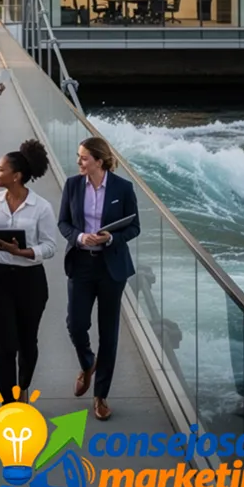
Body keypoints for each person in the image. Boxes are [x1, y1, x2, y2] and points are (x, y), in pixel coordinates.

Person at [58, 137, 140, 422]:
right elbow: (63, 223)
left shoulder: (123, 188)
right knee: (76, 323)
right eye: (79, 157)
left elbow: (134, 227)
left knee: (109, 333)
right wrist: (80, 237)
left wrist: (111, 237)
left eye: (83, 158)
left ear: (99, 160)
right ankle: (87, 362)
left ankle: (101, 396)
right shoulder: (71, 185)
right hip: (81, 263)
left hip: (111, 268)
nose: (79, 162)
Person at [0, 140, 56, 403]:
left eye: (0, 170)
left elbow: (50, 247)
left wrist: (22, 252)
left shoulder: (41, 207)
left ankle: (23, 386)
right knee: (5, 345)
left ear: (16, 176)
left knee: (27, 342)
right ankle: (8, 401)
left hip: (30, 281)